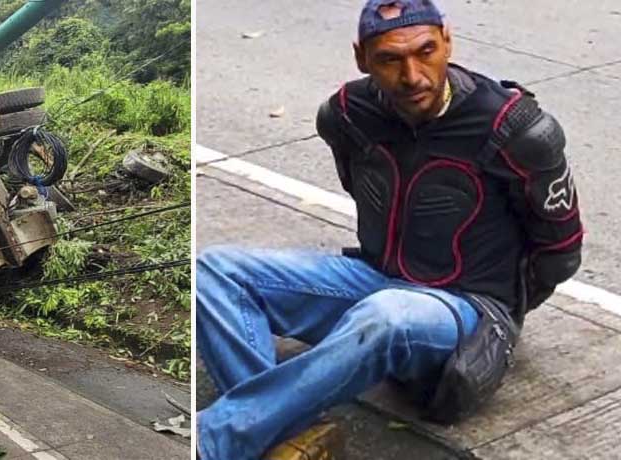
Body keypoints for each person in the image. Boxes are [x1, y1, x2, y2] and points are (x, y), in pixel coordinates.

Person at [195, 1, 583, 459]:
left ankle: (214, 441)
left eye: (426, 51)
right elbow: (356, 184)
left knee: (388, 314)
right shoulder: (347, 113)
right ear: (362, 58)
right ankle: (284, 433)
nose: (413, 75)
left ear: (447, 41)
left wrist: (502, 316)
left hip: (464, 303)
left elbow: (560, 251)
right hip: (379, 278)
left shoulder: (513, 128)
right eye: (390, 59)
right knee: (213, 271)